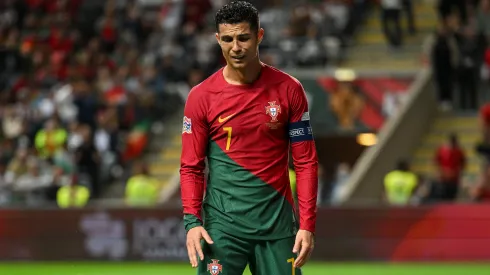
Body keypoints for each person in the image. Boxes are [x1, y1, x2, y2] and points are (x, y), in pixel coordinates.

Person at [179, 2, 318, 275]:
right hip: (222, 228)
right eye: (228, 39)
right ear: (218, 39)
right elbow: (191, 166)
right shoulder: (201, 97)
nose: (236, 47)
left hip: (276, 226)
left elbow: (306, 162)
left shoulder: (289, 90)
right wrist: (192, 222)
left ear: (259, 36)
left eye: (243, 37)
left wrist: (307, 224)